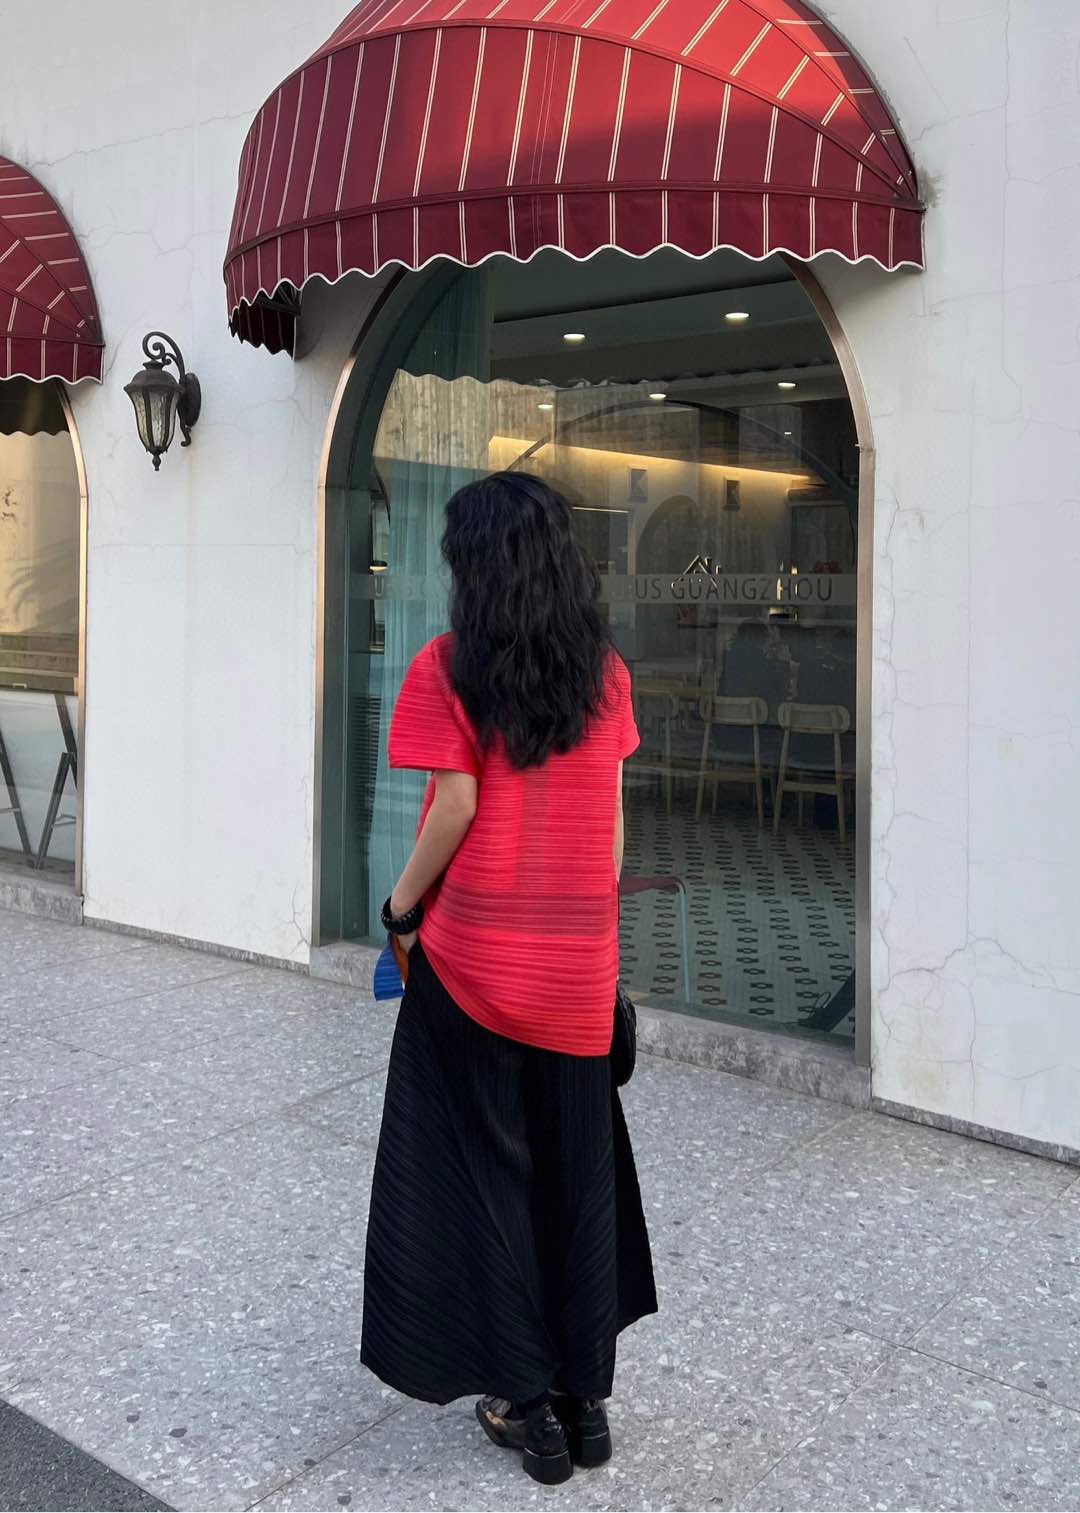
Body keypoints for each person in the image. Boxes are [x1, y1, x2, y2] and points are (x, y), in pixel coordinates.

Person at [361, 471, 657, 1487]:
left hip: (476, 967)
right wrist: (598, 946)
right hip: (577, 968)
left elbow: (455, 804)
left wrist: (400, 908)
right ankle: (587, 1404)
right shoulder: (604, 672)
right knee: (577, 1179)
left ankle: (527, 1408)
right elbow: (610, 826)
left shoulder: (450, 666)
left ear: (472, 564)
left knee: (488, 1178)